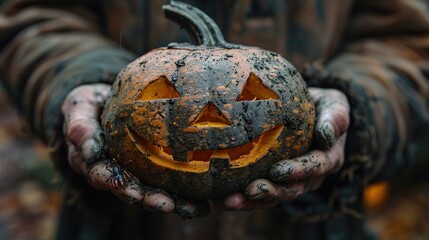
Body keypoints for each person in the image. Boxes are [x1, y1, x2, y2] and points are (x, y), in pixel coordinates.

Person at [0, 0, 428, 239]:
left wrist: (361, 112)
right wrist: (82, 79)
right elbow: (38, 18)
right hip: (114, 226)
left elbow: (409, 42)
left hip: (311, 226)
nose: (210, 121)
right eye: (161, 96)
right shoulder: (151, 70)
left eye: (249, 95)